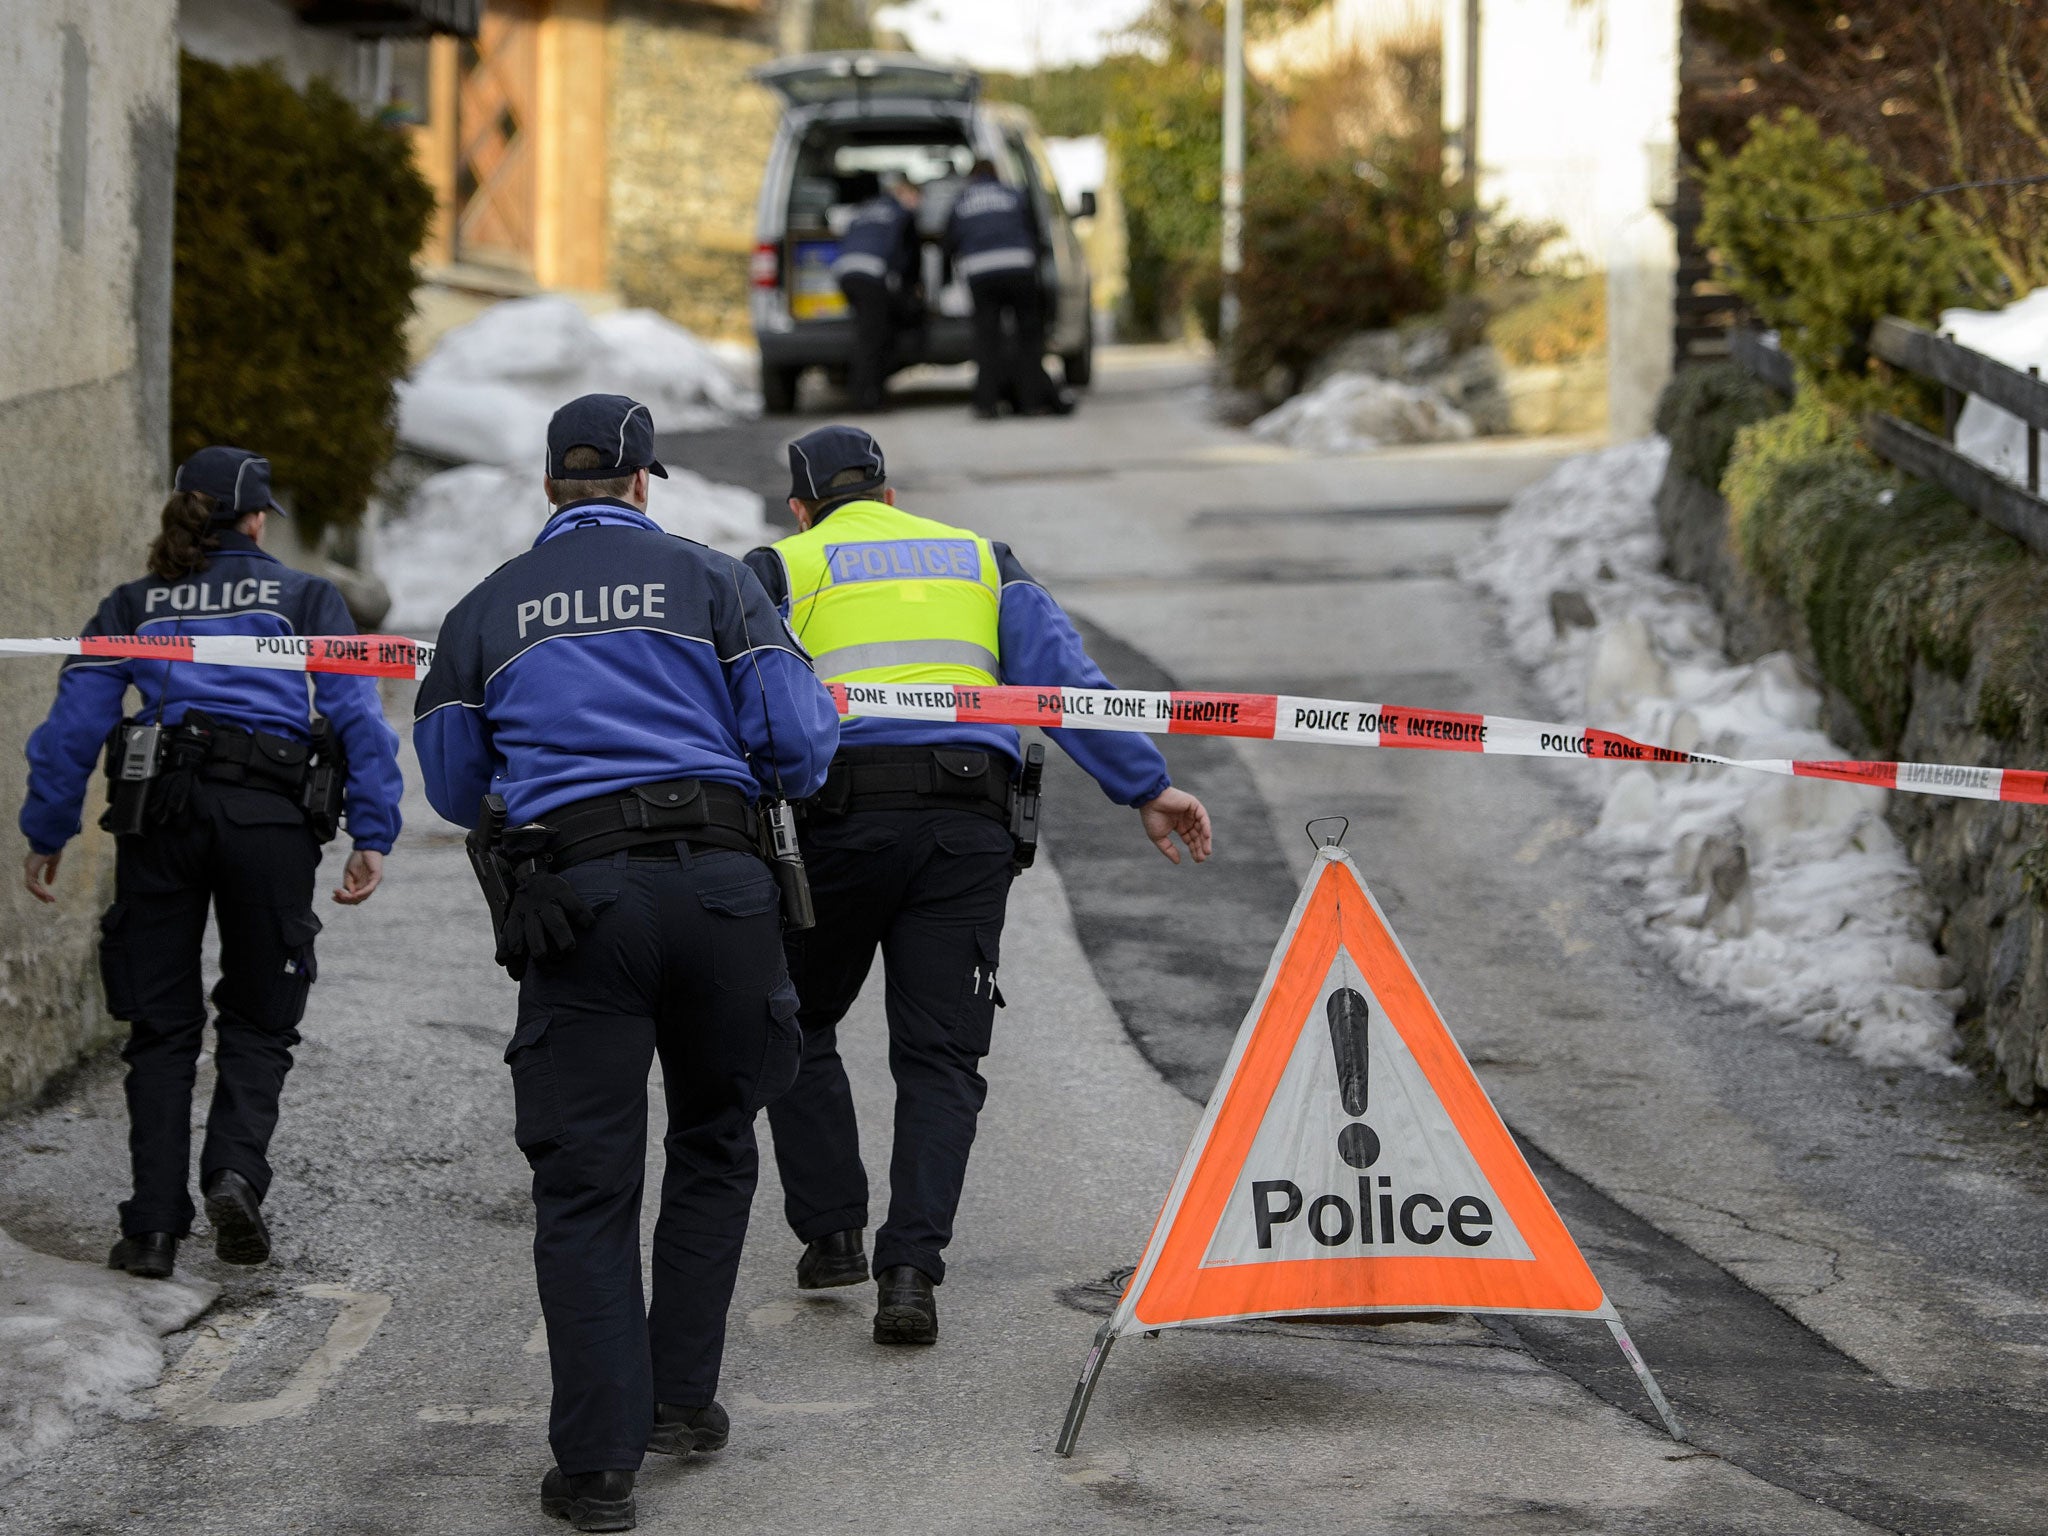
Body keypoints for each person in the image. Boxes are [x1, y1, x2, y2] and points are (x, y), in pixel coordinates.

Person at [413, 394, 839, 1534]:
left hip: (581, 902)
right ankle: (684, 1405)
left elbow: (453, 786)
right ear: (646, 481)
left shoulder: (484, 609)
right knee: (713, 1142)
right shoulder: (715, 582)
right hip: (721, 888)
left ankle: (597, 1469)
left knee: (586, 1185)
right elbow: (798, 747)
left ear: (551, 485)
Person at [744, 425, 1210, 1346]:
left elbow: (744, 697)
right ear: (886, 492)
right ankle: (910, 1271)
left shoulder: (777, 566)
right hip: (966, 825)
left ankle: (834, 1231)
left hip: (836, 825)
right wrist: (1145, 787)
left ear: (802, 506)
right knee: (941, 1057)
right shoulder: (978, 558)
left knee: (792, 1018)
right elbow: (1063, 680)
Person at [19, 446, 402, 1279]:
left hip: (161, 813)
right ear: (258, 520)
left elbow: (71, 733)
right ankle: (233, 1172)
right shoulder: (306, 596)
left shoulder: (132, 604)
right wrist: (373, 830)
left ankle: (152, 1227)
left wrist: (47, 831)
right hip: (269, 819)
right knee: (261, 1013)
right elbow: (358, 718)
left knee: (160, 1027)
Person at [942, 158, 1071, 419]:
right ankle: (1032, 402)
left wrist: (945, 281)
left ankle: (987, 404)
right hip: (1019, 268)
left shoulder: (962, 200)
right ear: (996, 174)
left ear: (972, 177)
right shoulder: (1013, 194)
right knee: (1028, 338)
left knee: (987, 340)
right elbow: (1035, 232)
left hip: (981, 273)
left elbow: (949, 242)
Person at [832, 175, 924, 412]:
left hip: (845, 273)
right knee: (873, 339)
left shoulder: (864, 210)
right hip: (870, 275)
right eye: (914, 196)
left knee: (868, 331)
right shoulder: (901, 214)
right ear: (903, 194)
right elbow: (910, 259)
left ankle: (865, 393)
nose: (916, 202)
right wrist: (912, 290)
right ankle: (866, 399)